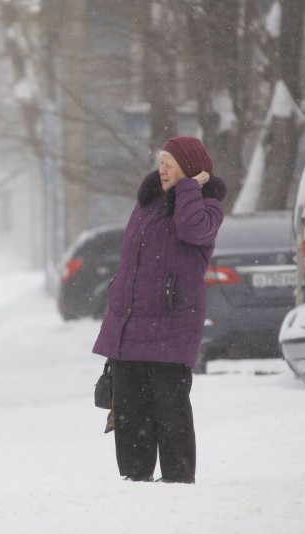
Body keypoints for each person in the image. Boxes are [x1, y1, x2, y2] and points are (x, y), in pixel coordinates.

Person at [92, 136, 227, 483]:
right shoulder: (148, 204)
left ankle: (178, 482)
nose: (162, 169)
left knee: (171, 412)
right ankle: (134, 482)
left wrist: (188, 190)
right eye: (161, 161)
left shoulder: (207, 207)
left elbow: (190, 228)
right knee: (130, 415)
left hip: (171, 327)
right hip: (131, 325)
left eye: (170, 163)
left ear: (191, 170)